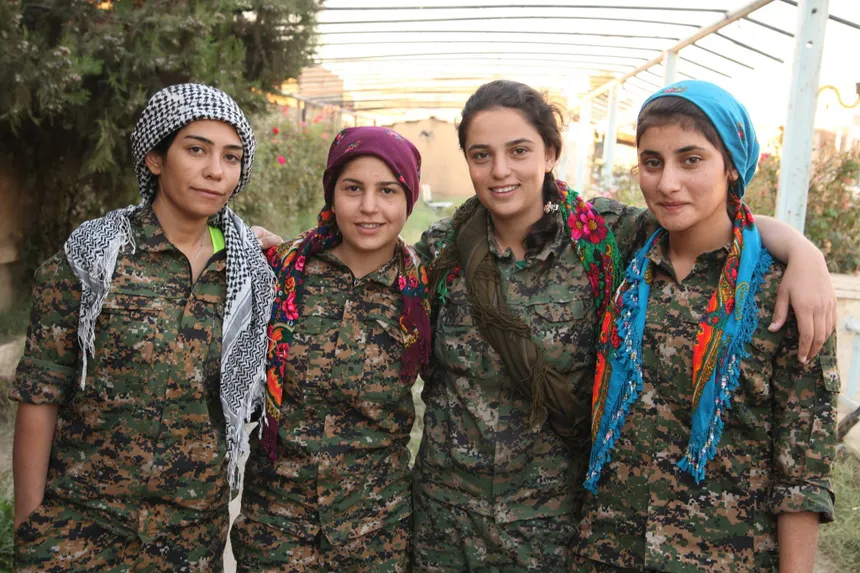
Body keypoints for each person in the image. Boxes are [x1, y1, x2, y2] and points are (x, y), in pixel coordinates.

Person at [411, 79, 838, 572]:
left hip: (555, 526)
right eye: (481, 154)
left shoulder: (603, 236)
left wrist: (805, 254)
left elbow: (714, 223)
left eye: (520, 150)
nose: (501, 169)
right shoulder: (443, 249)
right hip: (455, 526)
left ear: (551, 153)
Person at [573, 80, 838, 573]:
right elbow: (531, 196)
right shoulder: (622, 253)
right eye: (652, 162)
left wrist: (804, 253)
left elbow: (801, 471)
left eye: (691, 159)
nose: (667, 182)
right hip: (606, 551)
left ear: (732, 164)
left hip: (724, 557)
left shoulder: (779, 292)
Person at [11, 84, 274, 571]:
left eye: (232, 157)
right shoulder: (92, 258)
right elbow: (39, 394)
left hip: (192, 539)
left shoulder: (251, 270)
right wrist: (31, 529)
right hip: (83, 532)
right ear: (154, 158)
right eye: (196, 150)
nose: (216, 171)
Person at [231, 126, 432, 572]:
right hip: (275, 529)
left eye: (387, 191)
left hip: (375, 534)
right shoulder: (279, 270)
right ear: (332, 193)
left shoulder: (425, 292)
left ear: (408, 199)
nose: (369, 207)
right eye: (353, 188)